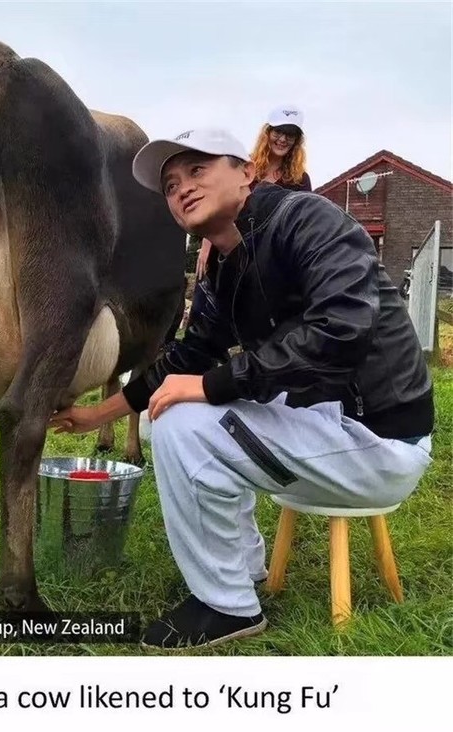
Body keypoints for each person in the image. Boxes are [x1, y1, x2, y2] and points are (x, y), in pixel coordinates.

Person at [49, 127, 434, 649]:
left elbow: (341, 330)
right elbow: (187, 357)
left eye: (198, 169)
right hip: (321, 426)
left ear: (247, 173)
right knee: (172, 407)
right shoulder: (223, 269)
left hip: (378, 438)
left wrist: (215, 384)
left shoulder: (307, 220)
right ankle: (242, 570)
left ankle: (225, 606)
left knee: (183, 421)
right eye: (170, 184)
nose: (182, 187)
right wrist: (97, 415)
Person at [195, 105, 311, 279]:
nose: (283, 139)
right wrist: (206, 245)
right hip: (230, 249)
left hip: (271, 261)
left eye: (290, 135)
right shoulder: (243, 166)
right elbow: (219, 204)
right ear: (267, 133)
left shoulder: (300, 180)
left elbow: (304, 224)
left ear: (297, 140)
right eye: (278, 132)